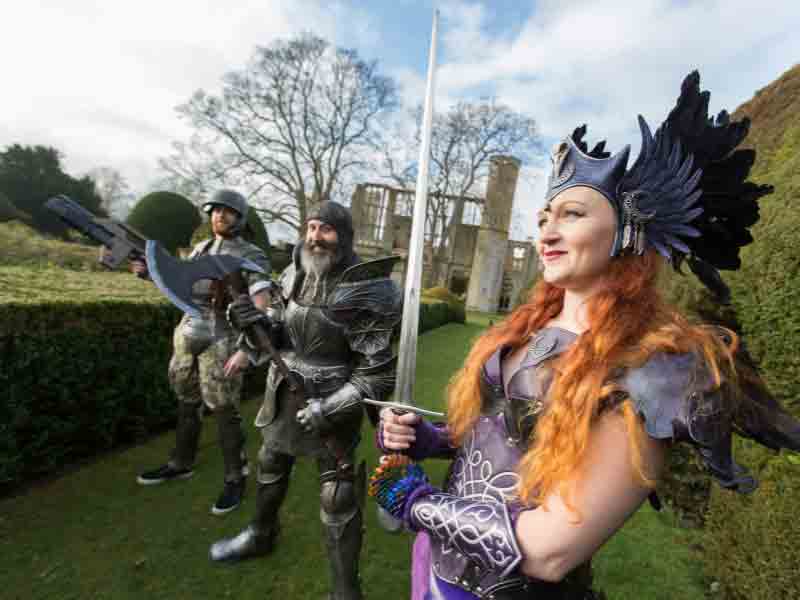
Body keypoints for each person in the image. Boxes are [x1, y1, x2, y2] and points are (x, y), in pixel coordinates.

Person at [372, 71, 800, 600]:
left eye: (571, 215)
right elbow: (505, 437)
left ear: (627, 231)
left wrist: (416, 504)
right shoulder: (526, 329)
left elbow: (552, 551)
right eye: (545, 215)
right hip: (431, 571)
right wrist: (432, 439)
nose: (547, 231)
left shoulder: (653, 369)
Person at [210, 201, 401, 600]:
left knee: (338, 494)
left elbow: (378, 372)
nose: (315, 236)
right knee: (269, 462)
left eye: (325, 229)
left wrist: (331, 408)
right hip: (284, 390)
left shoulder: (370, 289)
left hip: (336, 397)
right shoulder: (292, 273)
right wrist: (251, 323)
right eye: (311, 227)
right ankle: (261, 534)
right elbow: (277, 336)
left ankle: (346, 591)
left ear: (343, 237)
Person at [134, 189, 272, 517]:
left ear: (240, 217)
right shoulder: (200, 249)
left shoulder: (252, 254)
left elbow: (261, 302)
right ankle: (181, 462)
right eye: (215, 211)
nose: (219, 216)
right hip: (188, 332)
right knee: (186, 397)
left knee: (223, 407)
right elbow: (180, 286)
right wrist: (148, 273)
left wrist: (247, 348)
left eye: (227, 211)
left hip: (223, 336)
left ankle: (235, 476)